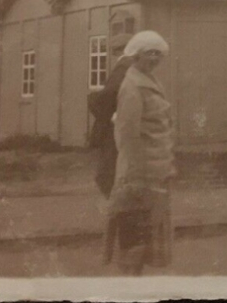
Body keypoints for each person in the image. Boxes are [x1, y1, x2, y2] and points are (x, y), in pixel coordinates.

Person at [106, 30, 176, 274]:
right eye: (149, 53)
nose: (155, 59)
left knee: (147, 240)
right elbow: (127, 135)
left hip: (156, 172)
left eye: (159, 54)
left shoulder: (151, 80)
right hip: (139, 175)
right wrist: (133, 177)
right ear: (135, 55)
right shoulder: (132, 85)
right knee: (134, 240)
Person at [87, 33, 134, 199]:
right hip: (129, 123)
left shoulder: (123, 66)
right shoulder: (136, 66)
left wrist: (92, 99)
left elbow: (109, 94)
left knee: (109, 170)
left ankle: (117, 204)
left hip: (116, 125)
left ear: (117, 51)